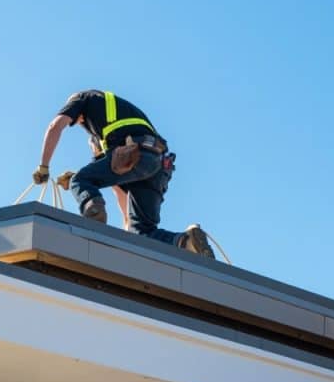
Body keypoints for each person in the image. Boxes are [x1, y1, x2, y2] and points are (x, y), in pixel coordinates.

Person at [33, 89, 214, 258]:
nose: (79, 122)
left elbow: (54, 126)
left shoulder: (83, 99)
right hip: (158, 164)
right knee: (142, 233)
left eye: (78, 121)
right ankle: (187, 242)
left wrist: (44, 168)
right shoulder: (115, 118)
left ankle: (92, 225)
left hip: (135, 153)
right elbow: (118, 187)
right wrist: (126, 228)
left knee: (79, 180)